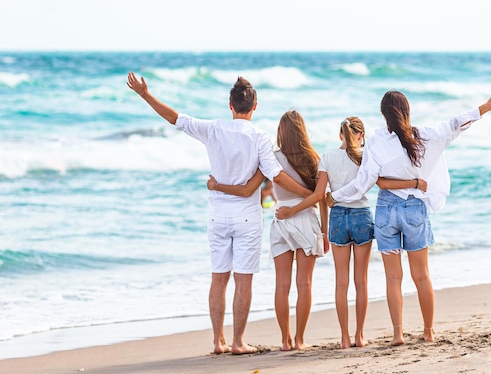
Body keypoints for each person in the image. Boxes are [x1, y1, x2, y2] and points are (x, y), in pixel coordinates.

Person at [126, 73, 311, 355]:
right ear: (255, 106)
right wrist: (309, 194)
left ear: (230, 104)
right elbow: (275, 175)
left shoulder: (213, 129)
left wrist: (145, 95)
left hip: (217, 214)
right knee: (243, 279)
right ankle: (238, 342)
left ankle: (218, 341)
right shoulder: (260, 137)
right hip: (247, 217)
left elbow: (175, 119)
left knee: (219, 277)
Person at [326, 91, 491, 345]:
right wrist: (484, 108)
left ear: (383, 114)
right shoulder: (424, 136)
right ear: (406, 111)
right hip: (414, 209)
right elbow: (455, 124)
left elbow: (362, 184)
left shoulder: (377, 141)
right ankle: (428, 331)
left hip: (386, 210)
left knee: (393, 278)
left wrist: (334, 196)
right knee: (421, 275)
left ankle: (398, 334)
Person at [275, 116, 427, 349]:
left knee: (341, 282)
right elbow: (378, 183)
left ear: (340, 135)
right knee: (361, 281)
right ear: (360, 136)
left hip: (337, 218)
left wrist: (324, 231)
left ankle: (344, 339)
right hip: (361, 216)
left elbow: (320, 196)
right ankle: (359, 336)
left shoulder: (326, 157)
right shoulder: (366, 156)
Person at [208, 110, 326, 351]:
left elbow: (253, 188)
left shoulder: (271, 158)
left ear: (281, 132)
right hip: (306, 219)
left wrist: (218, 186)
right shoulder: (314, 159)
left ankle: (285, 340)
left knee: (282, 285)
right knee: (305, 283)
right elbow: (321, 198)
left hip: (281, 221)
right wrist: (325, 231)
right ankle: (300, 340)